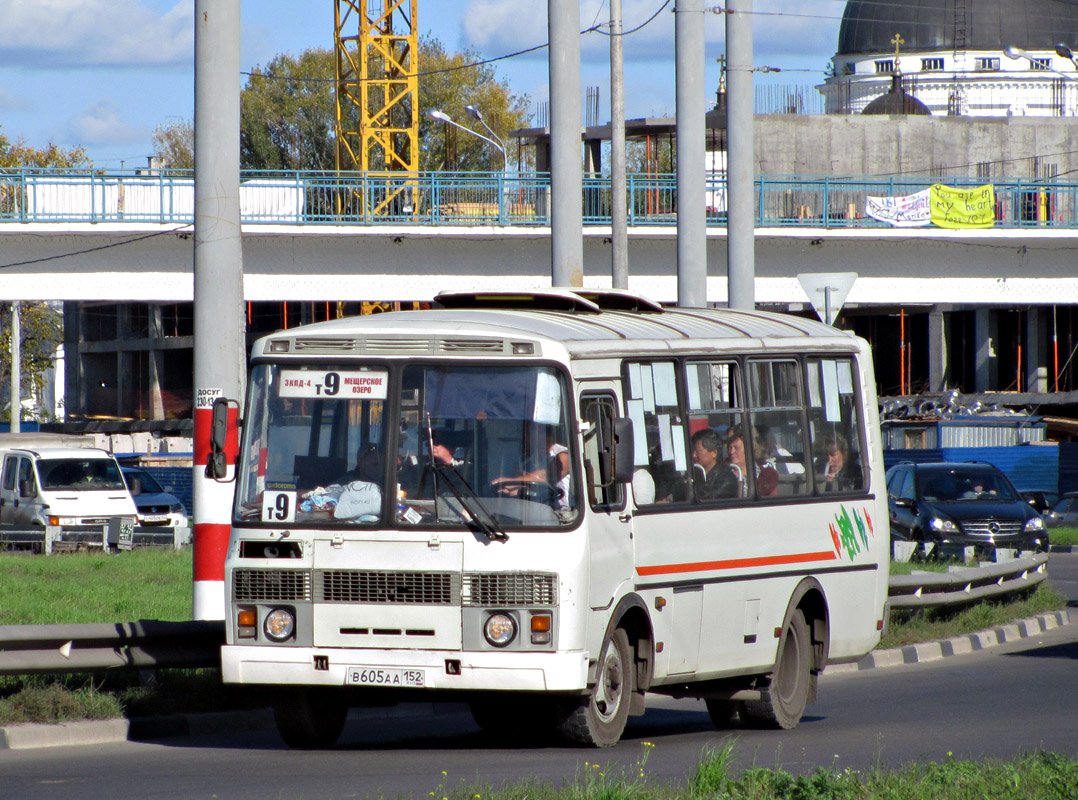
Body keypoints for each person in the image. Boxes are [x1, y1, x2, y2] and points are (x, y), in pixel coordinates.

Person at [491, 424, 572, 510]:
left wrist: (509, 481)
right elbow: (520, 485)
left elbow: (544, 476)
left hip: (560, 513)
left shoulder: (563, 455)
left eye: (541, 433)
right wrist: (509, 488)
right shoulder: (523, 461)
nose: (538, 438)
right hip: (533, 510)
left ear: (550, 435)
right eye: (533, 433)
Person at [725, 425, 779, 498]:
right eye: (729, 447)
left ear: (750, 448)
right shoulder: (722, 473)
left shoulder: (767, 476)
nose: (731, 452)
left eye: (736, 448)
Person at [691, 428, 737, 500]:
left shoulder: (726, 478)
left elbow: (709, 500)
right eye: (692, 451)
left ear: (714, 453)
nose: (694, 455)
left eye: (698, 451)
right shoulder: (693, 474)